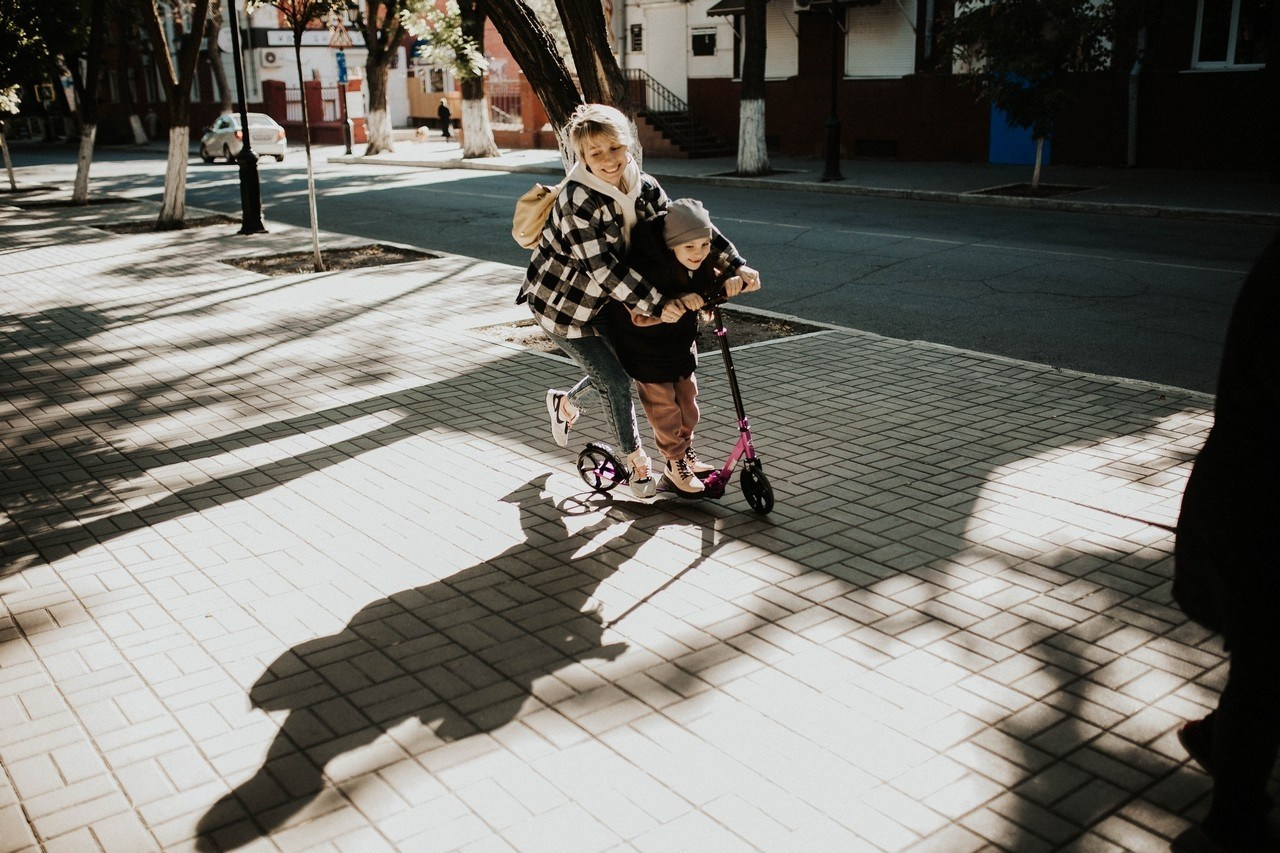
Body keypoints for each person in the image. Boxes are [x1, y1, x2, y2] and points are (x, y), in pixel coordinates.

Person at [516, 103, 758, 498]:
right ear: (582, 157)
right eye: (596, 154)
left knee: (628, 370)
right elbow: (604, 271)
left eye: (615, 148)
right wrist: (660, 303)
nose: (608, 160)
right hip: (567, 308)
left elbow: (687, 227)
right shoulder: (578, 200)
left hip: (617, 303)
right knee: (614, 379)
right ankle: (637, 465)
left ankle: (565, 404)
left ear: (628, 144)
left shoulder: (644, 185)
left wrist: (735, 264)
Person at [1173, 230, 1280, 851]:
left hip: (1249, 492)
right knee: (1268, 665)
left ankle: (1223, 748)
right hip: (1265, 500)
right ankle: (1230, 822)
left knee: (1268, 663)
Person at [605, 198, 758, 495]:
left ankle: (685, 452)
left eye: (704, 245)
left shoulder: (700, 262)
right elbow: (636, 311)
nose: (698, 253)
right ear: (671, 244)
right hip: (644, 347)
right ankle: (674, 463)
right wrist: (671, 304)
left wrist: (730, 285)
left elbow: (708, 290)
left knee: (689, 405)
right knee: (665, 409)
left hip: (678, 344)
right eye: (689, 247)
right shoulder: (649, 266)